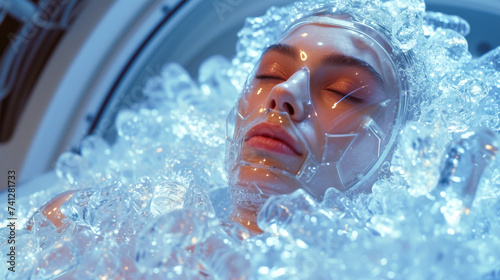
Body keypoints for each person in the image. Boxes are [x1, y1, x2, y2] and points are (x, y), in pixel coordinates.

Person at [30, 7, 409, 235]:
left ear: (399, 156)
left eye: (345, 92)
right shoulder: (80, 222)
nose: (285, 93)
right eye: (270, 75)